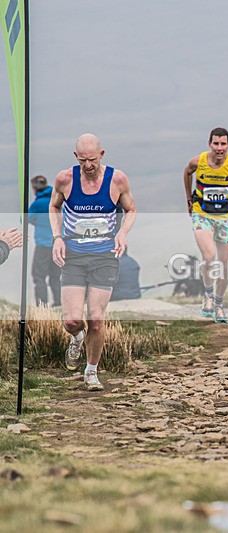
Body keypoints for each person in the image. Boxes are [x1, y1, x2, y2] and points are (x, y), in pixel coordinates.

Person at [50, 133, 137, 391]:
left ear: (102, 155)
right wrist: (57, 237)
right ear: (76, 157)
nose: (88, 166)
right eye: (83, 160)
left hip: (104, 256)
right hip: (74, 256)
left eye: (92, 160)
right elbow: (54, 207)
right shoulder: (65, 179)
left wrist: (122, 232)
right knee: (72, 320)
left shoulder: (117, 179)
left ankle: (91, 371)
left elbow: (131, 209)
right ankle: (77, 338)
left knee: (96, 320)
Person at [183, 127, 228, 322]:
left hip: (226, 216)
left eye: (223, 144)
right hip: (202, 214)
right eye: (216, 144)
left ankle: (219, 305)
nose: (219, 148)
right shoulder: (198, 161)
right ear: (209, 144)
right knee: (209, 256)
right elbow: (187, 173)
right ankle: (208, 296)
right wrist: (189, 198)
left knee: (225, 264)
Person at [28, 175, 62, 306]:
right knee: (55, 276)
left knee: (39, 276)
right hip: (58, 245)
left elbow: (24, 219)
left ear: (34, 189)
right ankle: (58, 303)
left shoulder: (38, 204)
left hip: (43, 245)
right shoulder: (57, 199)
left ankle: (42, 305)